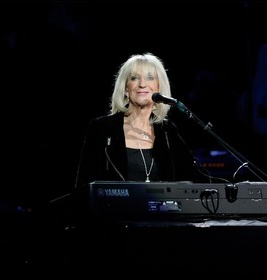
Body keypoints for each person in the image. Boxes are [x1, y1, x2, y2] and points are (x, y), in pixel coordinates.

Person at [74, 53, 209, 192]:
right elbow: (83, 187)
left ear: (158, 87)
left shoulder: (167, 130)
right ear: (126, 88)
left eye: (150, 78)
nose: (142, 84)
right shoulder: (101, 128)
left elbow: (197, 178)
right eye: (134, 78)